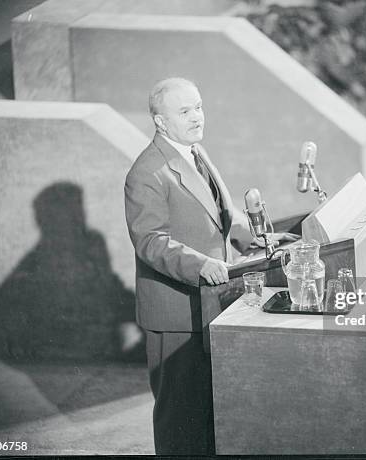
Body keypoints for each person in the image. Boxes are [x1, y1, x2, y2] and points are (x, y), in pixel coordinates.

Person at [124, 77, 293, 455]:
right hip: (177, 313)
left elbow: (220, 217)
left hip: (211, 303)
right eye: (185, 111)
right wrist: (200, 264)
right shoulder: (147, 172)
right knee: (179, 417)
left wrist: (255, 240)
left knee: (208, 413)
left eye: (198, 106)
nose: (197, 117)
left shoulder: (196, 152)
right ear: (160, 122)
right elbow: (150, 240)